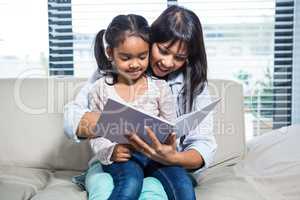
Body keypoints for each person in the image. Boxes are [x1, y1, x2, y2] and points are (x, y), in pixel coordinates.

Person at [64, 5, 217, 200]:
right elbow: (73, 118)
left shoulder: (184, 86)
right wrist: (110, 126)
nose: (168, 62)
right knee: (121, 185)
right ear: (150, 40)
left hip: (163, 161)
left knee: (173, 187)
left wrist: (173, 157)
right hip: (119, 157)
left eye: (179, 57)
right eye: (163, 50)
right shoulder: (109, 77)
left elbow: (203, 143)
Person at [86, 13, 181, 200]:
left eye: (142, 56)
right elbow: (96, 134)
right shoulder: (100, 90)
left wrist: (170, 144)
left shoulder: (160, 88)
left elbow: (171, 127)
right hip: (123, 155)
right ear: (110, 53)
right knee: (131, 182)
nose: (135, 64)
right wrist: (110, 151)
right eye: (126, 57)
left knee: (182, 184)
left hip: (156, 155)